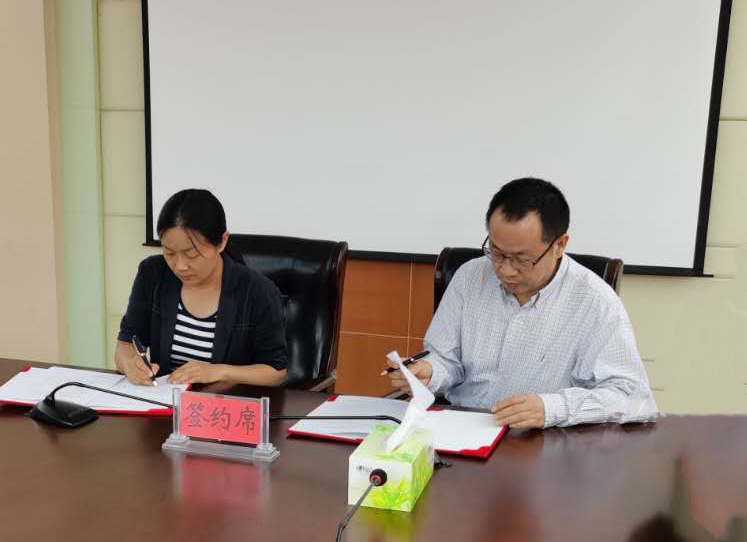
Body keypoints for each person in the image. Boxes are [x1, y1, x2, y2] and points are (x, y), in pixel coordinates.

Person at [388, 177, 657, 429]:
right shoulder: (469, 277)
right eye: (496, 252)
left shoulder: (595, 302)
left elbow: (634, 399)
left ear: (559, 245)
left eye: (522, 259)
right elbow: (447, 359)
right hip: (461, 427)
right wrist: (430, 372)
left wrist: (552, 408)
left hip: (541, 439)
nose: (505, 270)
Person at [115, 189, 287, 386]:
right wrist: (130, 365)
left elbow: (275, 372)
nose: (180, 266)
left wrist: (217, 372)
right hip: (165, 399)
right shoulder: (152, 274)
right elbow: (126, 344)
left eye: (192, 255)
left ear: (222, 242)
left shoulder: (257, 291)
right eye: (169, 253)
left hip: (225, 401)